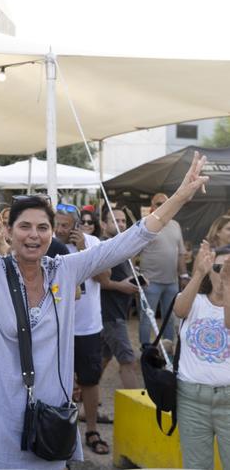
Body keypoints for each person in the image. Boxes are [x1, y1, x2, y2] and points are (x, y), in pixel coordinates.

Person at [0, 127, 208, 470]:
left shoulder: (66, 269)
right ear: (9, 232)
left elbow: (130, 240)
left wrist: (179, 197)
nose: (34, 235)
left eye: (42, 227)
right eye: (24, 226)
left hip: (48, 421)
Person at [54, 203, 110, 454]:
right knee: (58, 380)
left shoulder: (93, 242)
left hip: (87, 325)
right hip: (57, 325)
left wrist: (83, 249)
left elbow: (104, 277)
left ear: (76, 225)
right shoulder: (48, 241)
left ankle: (91, 428)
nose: (59, 230)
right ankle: (59, 431)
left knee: (89, 380)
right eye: (56, 224)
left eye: (64, 225)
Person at [173, 241, 230, 469]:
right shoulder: (195, 301)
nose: (223, 273)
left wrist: (228, 286)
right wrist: (198, 273)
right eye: (218, 268)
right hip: (191, 400)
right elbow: (179, 310)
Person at [97, 205, 140, 390]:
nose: (121, 224)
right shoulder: (103, 245)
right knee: (128, 360)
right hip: (109, 313)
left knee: (103, 360)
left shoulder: (121, 246)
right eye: (116, 221)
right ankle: (140, 410)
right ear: (103, 224)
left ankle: (84, 407)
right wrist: (123, 286)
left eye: (123, 221)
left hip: (117, 312)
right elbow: (101, 280)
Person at [138, 192, 188, 347]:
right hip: (150, 282)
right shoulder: (145, 223)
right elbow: (132, 252)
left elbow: (180, 253)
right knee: (147, 318)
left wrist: (184, 275)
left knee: (169, 318)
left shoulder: (175, 225)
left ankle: (168, 350)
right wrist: (137, 275)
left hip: (171, 282)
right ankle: (146, 350)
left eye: (166, 202)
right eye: (159, 204)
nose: (164, 206)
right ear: (152, 206)